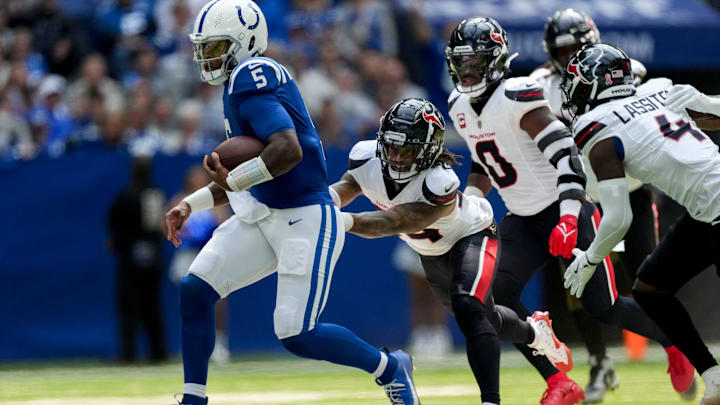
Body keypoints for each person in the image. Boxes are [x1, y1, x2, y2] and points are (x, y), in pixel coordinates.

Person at [164, 1, 420, 404]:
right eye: (205, 48)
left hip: (305, 216)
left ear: (245, 43)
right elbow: (248, 168)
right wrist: (191, 204)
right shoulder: (240, 82)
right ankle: (194, 398)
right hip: (264, 214)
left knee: (298, 334)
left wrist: (234, 179)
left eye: (215, 47)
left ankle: (391, 368)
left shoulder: (250, 76)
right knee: (195, 290)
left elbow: (287, 151)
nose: (207, 57)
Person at [444, 16, 694, 405]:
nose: (467, 70)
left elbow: (567, 157)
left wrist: (567, 215)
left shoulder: (517, 94)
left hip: (565, 209)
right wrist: (470, 202)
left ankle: (674, 343)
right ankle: (559, 381)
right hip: (521, 218)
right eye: (461, 62)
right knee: (494, 299)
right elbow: (482, 163)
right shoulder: (457, 104)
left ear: (494, 60)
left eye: (475, 62)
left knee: (604, 307)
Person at [330, 98, 573, 405]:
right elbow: (351, 184)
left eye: (406, 150)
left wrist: (342, 220)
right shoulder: (365, 158)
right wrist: (327, 200)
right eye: (390, 146)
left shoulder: (439, 181)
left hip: (471, 235)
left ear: (428, 151)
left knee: (469, 307)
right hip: (429, 251)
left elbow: (395, 221)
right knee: (487, 319)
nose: (395, 157)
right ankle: (535, 332)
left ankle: (490, 401)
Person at [560, 42, 720, 405]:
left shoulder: (595, 126)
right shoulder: (659, 91)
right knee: (651, 288)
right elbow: (715, 108)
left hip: (715, 207)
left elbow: (618, 218)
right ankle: (713, 377)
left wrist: (589, 259)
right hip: (706, 209)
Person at [529, 9, 673, 402]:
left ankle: (676, 347)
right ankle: (599, 361)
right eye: (564, 49)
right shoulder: (541, 85)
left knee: (647, 272)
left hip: (630, 185)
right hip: (585, 192)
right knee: (581, 281)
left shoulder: (623, 69)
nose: (571, 54)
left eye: (578, 46)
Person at [168, 166, 232, 364]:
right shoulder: (180, 200)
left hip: (211, 254)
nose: (195, 181)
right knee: (190, 300)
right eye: (192, 178)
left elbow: (226, 226)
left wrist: (207, 233)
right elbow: (170, 225)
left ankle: (219, 345)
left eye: (199, 178)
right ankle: (193, 344)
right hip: (188, 256)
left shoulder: (217, 202)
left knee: (218, 300)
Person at [107, 156, 168, 363]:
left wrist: (116, 242)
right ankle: (158, 351)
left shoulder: (125, 195)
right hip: (152, 255)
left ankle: (128, 353)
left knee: (129, 304)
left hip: (130, 256)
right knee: (152, 304)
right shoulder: (156, 193)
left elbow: (113, 222)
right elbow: (159, 226)